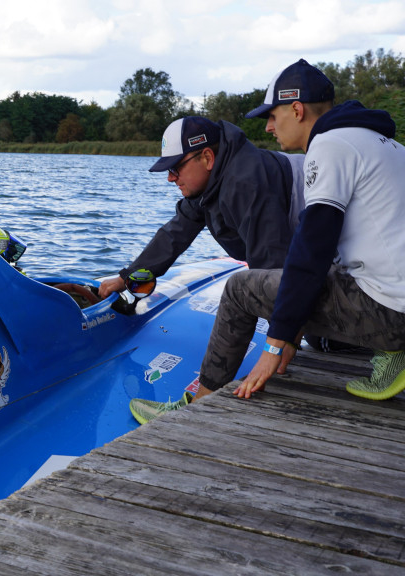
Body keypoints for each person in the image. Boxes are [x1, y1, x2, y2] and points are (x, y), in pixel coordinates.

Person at [130, 59, 405, 424]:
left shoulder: (329, 146)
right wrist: (129, 274)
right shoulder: (380, 141)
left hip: (391, 312)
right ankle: (393, 350)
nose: (270, 127)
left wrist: (278, 342)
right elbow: (180, 226)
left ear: (297, 109)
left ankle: (199, 409)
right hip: (394, 301)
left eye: (273, 116)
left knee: (241, 289)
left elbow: (310, 251)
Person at [98, 116, 305, 299]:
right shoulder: (211, 181)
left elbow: (272, 268)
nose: (170, 178)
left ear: (207, 158)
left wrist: (279, 336)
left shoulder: (247, 183)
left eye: (175, 168)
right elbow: (175, 233)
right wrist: (127, 277)